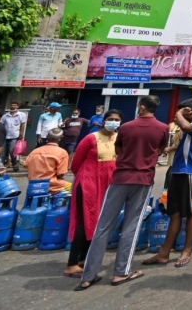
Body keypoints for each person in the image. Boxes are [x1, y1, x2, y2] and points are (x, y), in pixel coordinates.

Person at [77, 95, 169, 290]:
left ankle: (88, 275)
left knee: (103, 226)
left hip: (120, 178)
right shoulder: (162, 128)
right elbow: (160, 150)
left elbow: (118, 150)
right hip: (143, 180)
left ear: (141, 107)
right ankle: (121, 272)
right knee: (131, 227)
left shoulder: (126, 128)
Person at [143, 99, 192, 268]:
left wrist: (179, 113)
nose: (175, 119)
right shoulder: (186, 128)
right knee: (175, 213)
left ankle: (187, 250)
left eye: (179, 115)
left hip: (189, 173)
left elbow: (187, 127)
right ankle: (164, 253)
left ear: (188, 113)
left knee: (191, 211)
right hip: (177, 171)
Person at [63, 109, 121, 278]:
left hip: (107, 185)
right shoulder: (91, 138)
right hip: (88, 183)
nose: (114, 122)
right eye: (110, 119)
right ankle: (71, 263)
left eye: (117, 119)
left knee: (97, 222)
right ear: (103, 121)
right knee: (84, 221)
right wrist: (86, 177)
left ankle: (84, 259)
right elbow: (76, 164)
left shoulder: (119, 138)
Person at [25, 128, 71, 194]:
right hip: (50, 184)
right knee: (72, 187)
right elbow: (60, 174)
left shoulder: (34, 151)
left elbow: (27, 166)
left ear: (47, 137)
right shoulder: (62, 152)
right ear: (60, 139)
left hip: (33, 183)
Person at [0, 102, 27, 172]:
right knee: (3, 152)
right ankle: (1, 167)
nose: (13, 106)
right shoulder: (5, 116)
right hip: (5, 136)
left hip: (15, 136)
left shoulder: (21, 115)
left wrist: (21, 133)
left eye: (14, 105)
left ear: (17, 106)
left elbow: (22, 125)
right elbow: (1, 125)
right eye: (11, 105)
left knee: (12, 151)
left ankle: (14, 164)